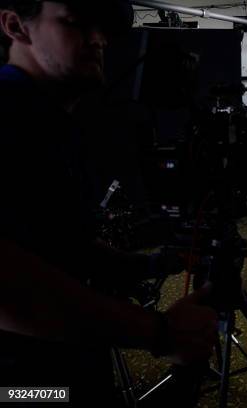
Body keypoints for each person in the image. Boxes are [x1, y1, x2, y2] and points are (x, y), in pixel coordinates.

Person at [0, 1, 218, 405]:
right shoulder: (9, 113)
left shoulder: (53, 122)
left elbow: (64, 246)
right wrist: (159, 334)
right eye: (76, 23)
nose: (98, 39)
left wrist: (153, 263)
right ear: (16, 26)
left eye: (101, 27)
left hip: (73, 366)